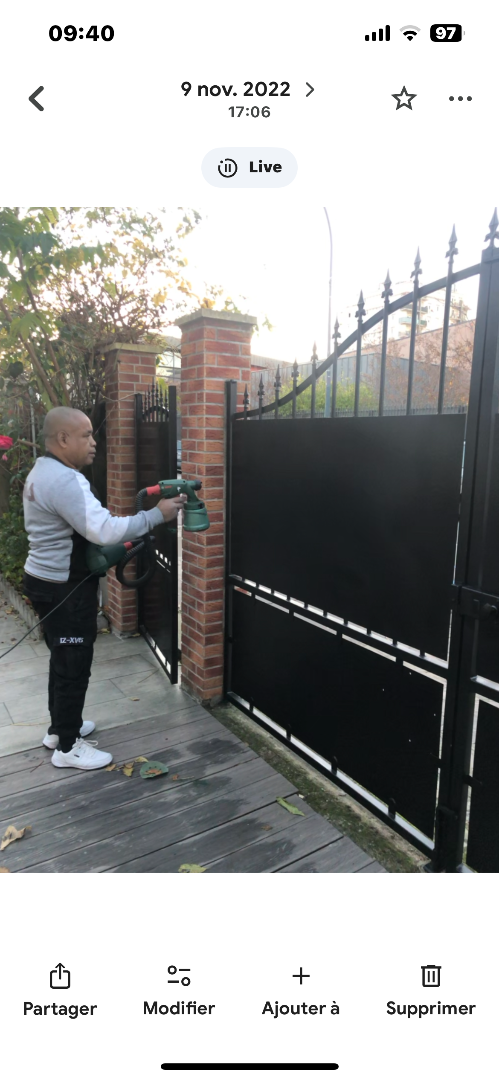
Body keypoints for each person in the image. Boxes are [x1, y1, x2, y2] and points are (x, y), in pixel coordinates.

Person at [22, 406, 186, 772]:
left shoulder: (42, 469)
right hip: (63, 587)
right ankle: (68, 747)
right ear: (62, 438)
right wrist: (156, 515)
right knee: (74, 662)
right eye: (86, 435)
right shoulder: (65, 479)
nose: (94, 442)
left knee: (62, 658)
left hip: (44, 579)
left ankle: (60, 729)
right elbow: (103, 530)